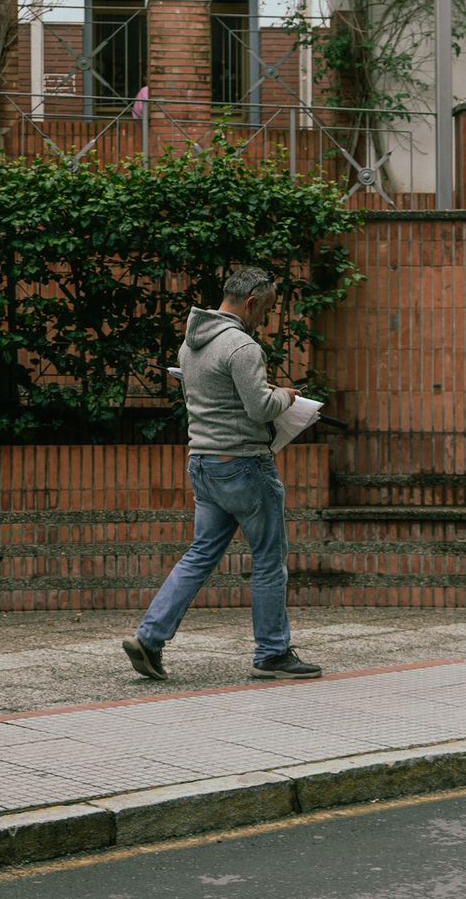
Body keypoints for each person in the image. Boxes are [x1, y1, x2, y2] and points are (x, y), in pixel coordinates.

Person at [122, 267, 323, 681]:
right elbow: (260, 409)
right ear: (251, 302)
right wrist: (284, 395)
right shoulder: (241, 347)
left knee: (200, 554)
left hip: (203, 462)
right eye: (265, 309)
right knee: (269, 560)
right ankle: (272, 654)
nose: (264, 318)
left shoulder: (191, 344)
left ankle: (149, 638)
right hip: (244, 465)